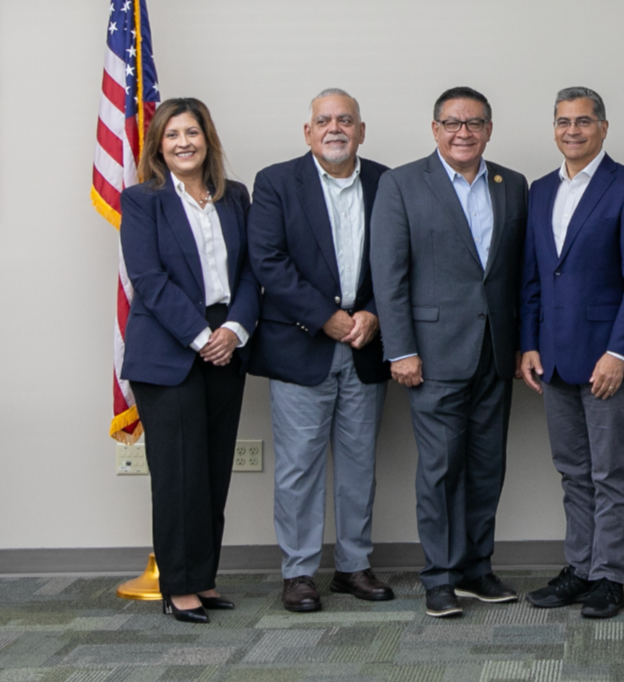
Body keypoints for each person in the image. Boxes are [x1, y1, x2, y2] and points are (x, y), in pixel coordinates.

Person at [371, 86, 528, 619]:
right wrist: (400, 350)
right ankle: (438, 576)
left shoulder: (513, 185)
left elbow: (517, 277)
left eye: (475, 123)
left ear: (489, 129)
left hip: (494, 353)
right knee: (439, 469)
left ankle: (475, 569)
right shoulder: (401, 184)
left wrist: (522, 344)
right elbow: (388, 276)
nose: (464, 132)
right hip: (431, 355)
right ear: (435, 129)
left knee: (487, 466)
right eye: (453, 123)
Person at [247, 89, 393, 613]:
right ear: (307, 132)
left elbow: (402, 259)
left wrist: (373, 311)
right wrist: (324, 316)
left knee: (359, 465)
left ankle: (353, 566)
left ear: (360, 130)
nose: (335, 128)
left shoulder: (385, 181)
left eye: (345, 120)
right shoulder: (276, 182)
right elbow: (267, 260)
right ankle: (300, 572)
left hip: (365, 344)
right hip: (301, 344)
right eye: (324, 121)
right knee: (298, 467)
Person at [519, 86, 624, 619]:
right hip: (553, 358)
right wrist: (528, 344)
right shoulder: (539, 191)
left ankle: (609, 577)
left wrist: (619, 352)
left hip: (607, 361)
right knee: (572, 472)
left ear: (603, 127)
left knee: (609, 475)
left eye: (583, 121)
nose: (572, 130)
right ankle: (579, 569)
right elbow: (534, 278)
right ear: (553, 129)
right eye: (562, 122)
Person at [120, 97, 260, 624]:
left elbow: (251, 271)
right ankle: (177, 587)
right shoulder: (141, 201)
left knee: (212, 471)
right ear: (159, 144)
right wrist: (202, 336)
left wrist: (233, 330)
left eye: (193, 133)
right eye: (173, 134)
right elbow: (149, 281)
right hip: (169, 351)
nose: (184, 142)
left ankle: (202, 578)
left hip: (228, 343)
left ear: (208, 140)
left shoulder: (235, 197)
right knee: (178, 476)